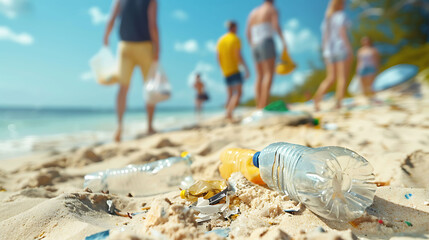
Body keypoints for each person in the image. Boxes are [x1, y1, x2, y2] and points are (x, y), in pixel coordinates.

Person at [103, 0, 160, 142]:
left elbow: (112, 18)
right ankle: (149, 126)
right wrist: (157, 46)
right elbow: (152, 24)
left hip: (125, 46)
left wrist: (106, 37)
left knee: (123, 88)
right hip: (145, 46)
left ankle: (120, 125)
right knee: (149, 87)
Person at [246, 0, 287, 109]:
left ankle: (259, 106)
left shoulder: (253, 12)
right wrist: (283, 42)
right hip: (266, 41)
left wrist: (252, 44)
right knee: (269, 74)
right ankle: (264, 106)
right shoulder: (271, 9)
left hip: (254, 44)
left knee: (259, 76)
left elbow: (247, 32)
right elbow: (276, 25)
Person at [313, 0, 352, 111]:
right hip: (341, 49)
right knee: (342, 77)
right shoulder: (341, 16)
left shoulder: (326, 20)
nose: (344, 5)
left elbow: (324, 39)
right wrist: (349, 49)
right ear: (339, 4)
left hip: (329, 52)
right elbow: (343, 34)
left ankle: (317, 98)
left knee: (330, 78)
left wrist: (325, 53)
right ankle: (338, 103)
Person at [217, 21, 250, 121]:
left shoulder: (221, 40)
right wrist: (246, 68)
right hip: (234, 69)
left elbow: (218, 57)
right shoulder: (235, 39)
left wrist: (222, 69)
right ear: (234, 27)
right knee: (238, 93)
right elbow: (238, 55)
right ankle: (229, 113)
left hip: (225, 71)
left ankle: (227, 113)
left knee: (230, 94)